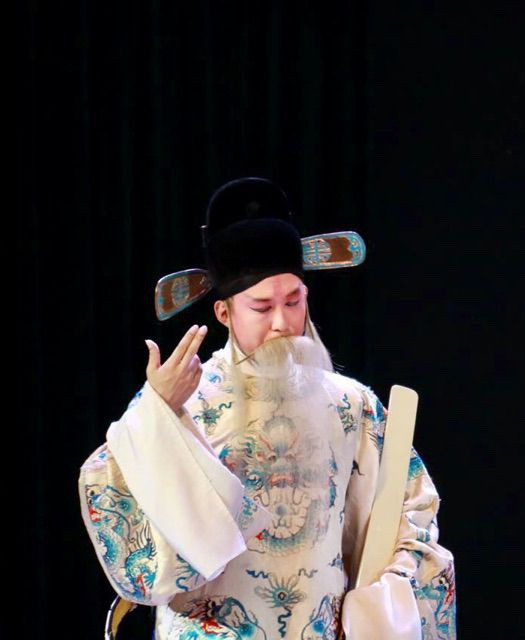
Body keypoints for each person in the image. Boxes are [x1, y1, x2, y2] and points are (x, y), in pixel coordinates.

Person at [79, 177, 456, 639]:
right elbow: (117, 501)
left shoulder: (352, 406)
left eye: (293, 301)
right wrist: (156, 411)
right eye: (261, 308)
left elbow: (411, 512)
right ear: (224, 313)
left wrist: (379, 606)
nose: (282, 322)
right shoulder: (189, 401)